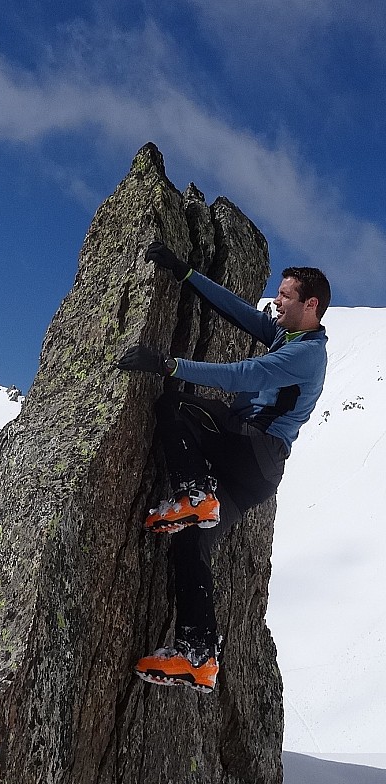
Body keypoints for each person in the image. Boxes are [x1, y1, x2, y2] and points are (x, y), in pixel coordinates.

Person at [116, 242, 331, 692]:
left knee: (175, 406)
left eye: (285, 295)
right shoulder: (286, 335)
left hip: (253, 448)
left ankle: (195, 493)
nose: (276, 301)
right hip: (251, 476)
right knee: (190, 542)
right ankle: (198, 655)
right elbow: (237, 311)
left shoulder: (306, 353)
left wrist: (168, 365)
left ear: (311, 304)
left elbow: (244, 376)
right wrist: (185, 272)